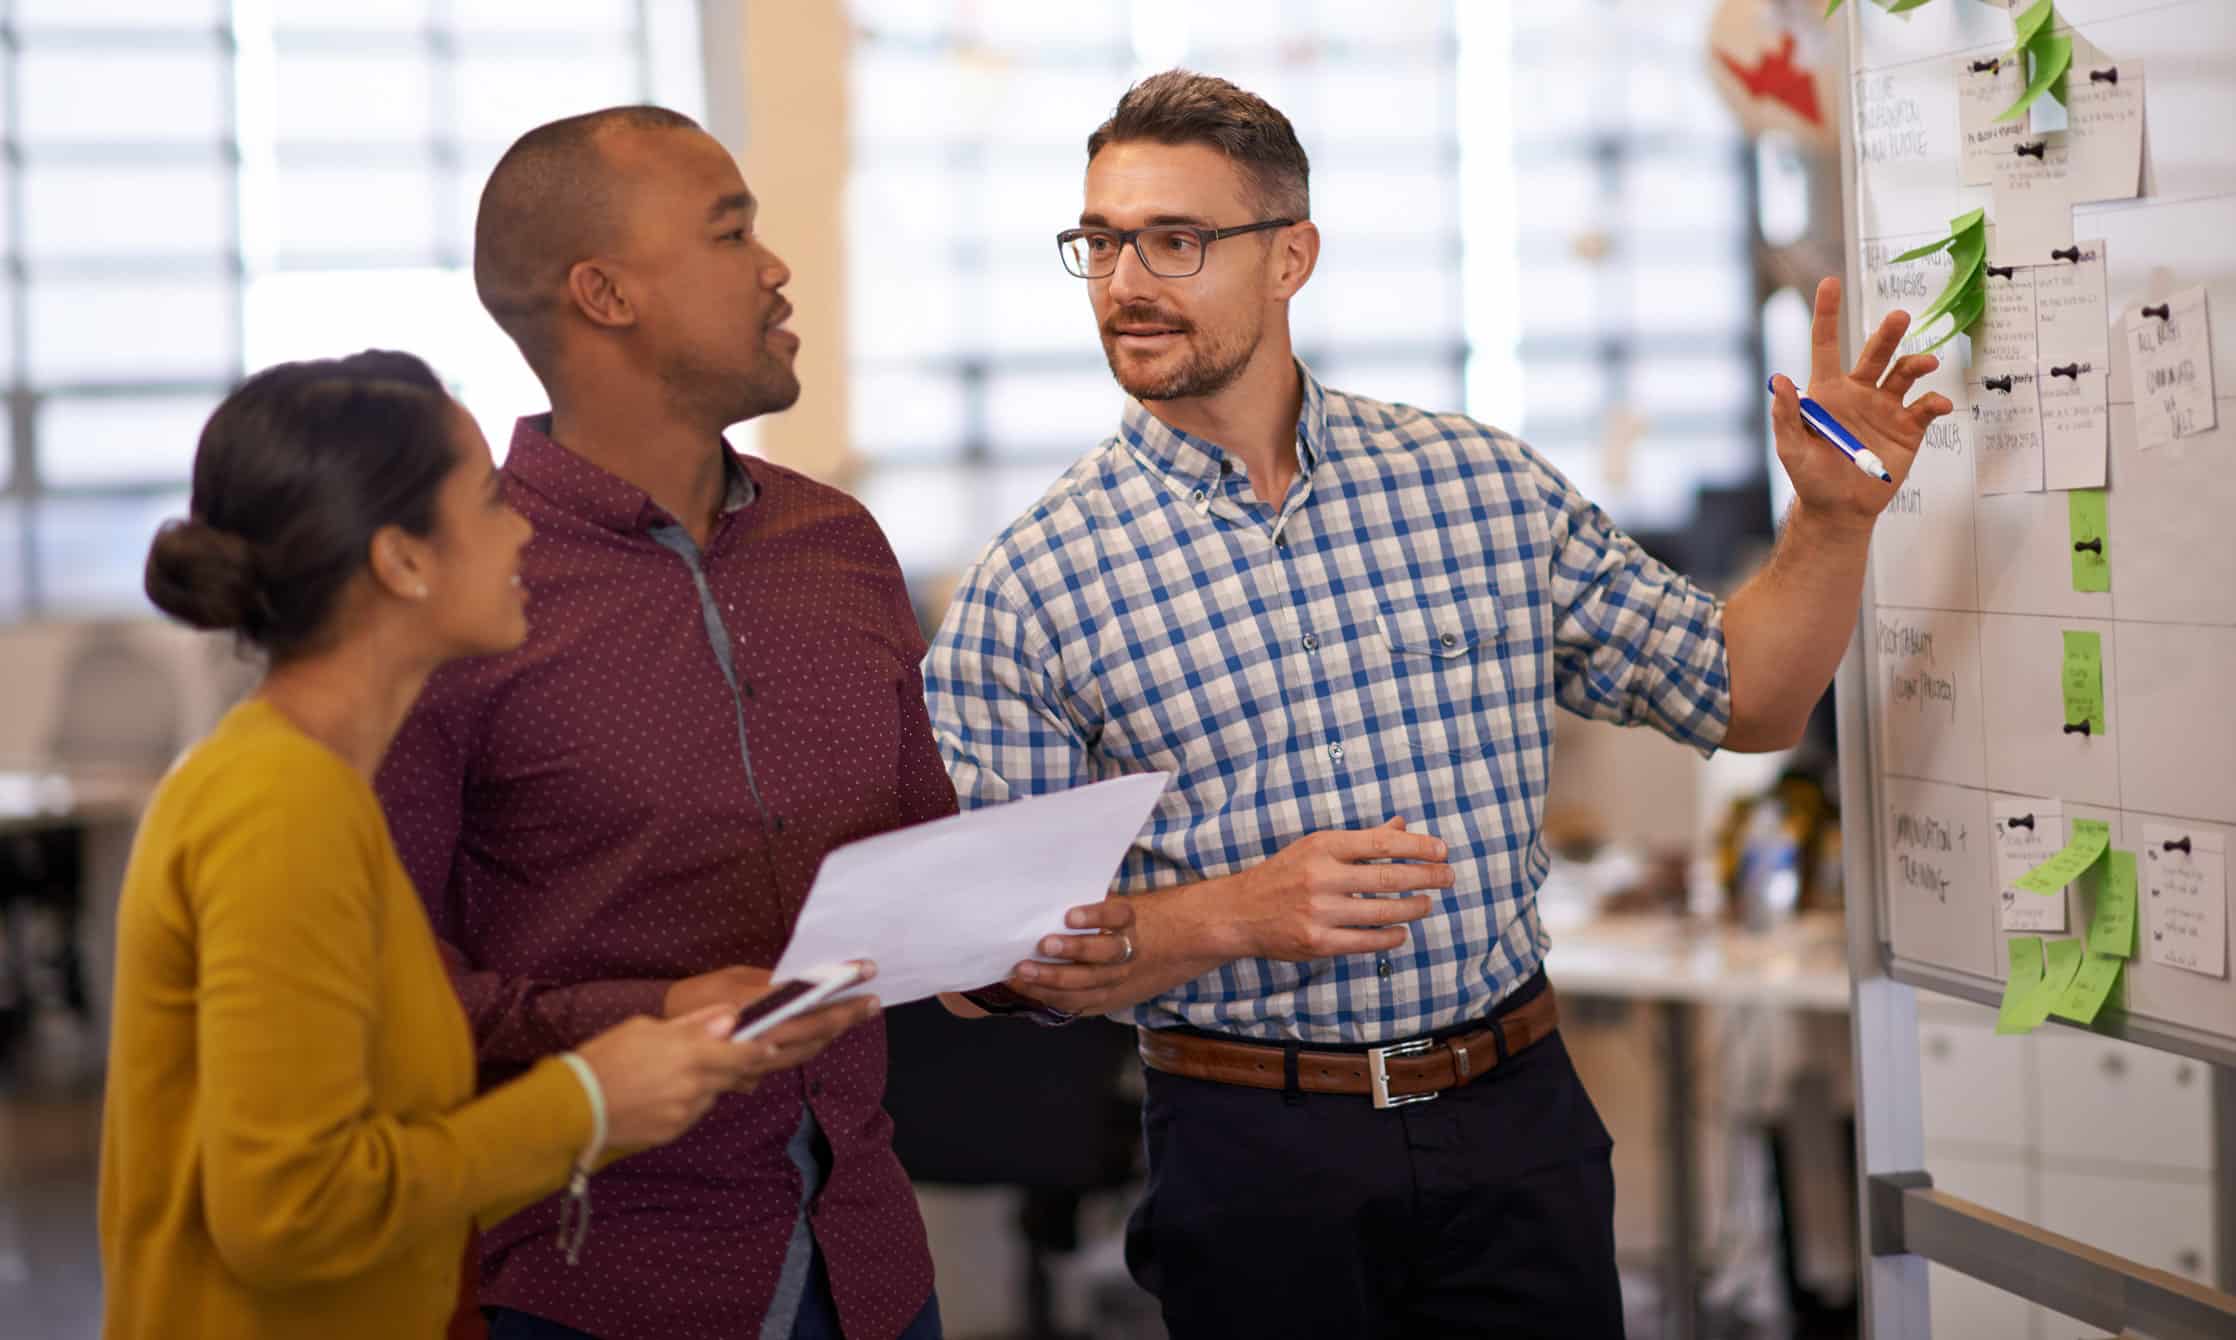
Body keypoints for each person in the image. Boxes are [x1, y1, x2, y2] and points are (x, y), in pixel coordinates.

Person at [923, 70, 1951, 1337]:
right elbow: (980, 971)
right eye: (1102, 242)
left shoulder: (1475, 483)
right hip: (1254, 1154)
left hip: (1514, 1122)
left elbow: (1743, 693)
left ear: (1289, 254)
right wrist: (1233, 912)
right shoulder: (1034, 585)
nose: (1126, 281)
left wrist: (1832, 523)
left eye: (1175, 240)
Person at [373, 106, 1132, 1340]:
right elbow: (390, 996)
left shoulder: (835, 542)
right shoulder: (459, 586)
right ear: (604, 293)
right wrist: (646, 1016)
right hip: (592, 1284)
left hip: (875, 1271)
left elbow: (922, 872)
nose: (776, 268)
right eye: (732, 234)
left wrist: (1024, 947)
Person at [100, 351, 871, 1340]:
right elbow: (288, 1211)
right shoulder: (278, 802)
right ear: (402, 559)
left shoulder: (314, 786)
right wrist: (588, 1101)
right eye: (492, 501)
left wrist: (655, 1049)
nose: (522, 531)